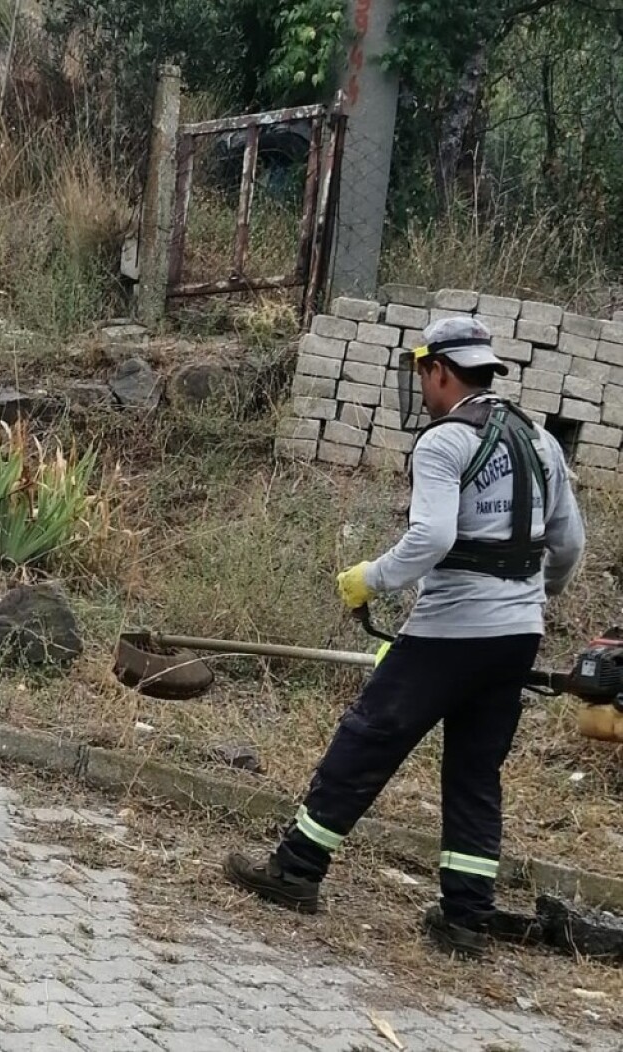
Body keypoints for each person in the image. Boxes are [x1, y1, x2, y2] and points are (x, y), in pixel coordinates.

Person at [224, 315, 587, 958]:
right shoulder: (541, 439)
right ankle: (465, 920)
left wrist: (371, 578)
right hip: (517, 635)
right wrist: (529, 600)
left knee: (367, 737)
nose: (421, 388)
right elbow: (568, 546)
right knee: (476, 772)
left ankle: (295, 870)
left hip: (452, 629)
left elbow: (433, 538)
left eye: (423, 375)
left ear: (438, 371)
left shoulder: (443, 442)